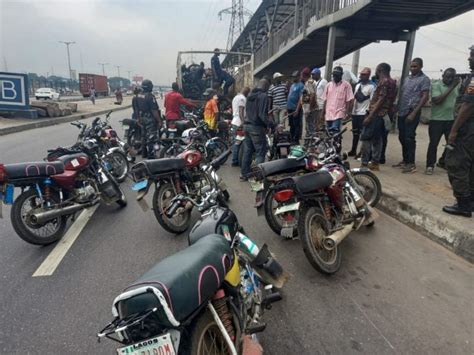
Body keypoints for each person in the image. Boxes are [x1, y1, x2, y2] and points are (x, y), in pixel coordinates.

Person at [443, 45, 474, 217]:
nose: (469, 59)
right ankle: (470, 201)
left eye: (472, 56)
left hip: (467, 130)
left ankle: (463, 204)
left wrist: (454, 131)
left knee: (456, 163)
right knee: (470, 165)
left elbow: (468, 105)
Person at [393, 57, 430, 173]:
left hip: (412, 111)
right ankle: (405, 160)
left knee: (409, 137)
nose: (413, 68)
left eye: (415, 66)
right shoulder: (407, 79)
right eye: (411, 66)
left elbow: (425, 96)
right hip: (402, 111)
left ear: (420, 67)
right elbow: (402, 93)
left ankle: (411, 163)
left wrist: (414, 113)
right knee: (402, 136)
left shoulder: (424, 79)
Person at [360, 63, 397, 171]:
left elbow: (381, 99)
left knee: (366, 138)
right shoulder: (393, 83)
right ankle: (375, 162)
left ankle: (365, 163)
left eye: (376, 70)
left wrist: (370, 116)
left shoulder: (384, 82)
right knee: (378, 139)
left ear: (380, 70)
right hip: (384, 114)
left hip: (376, 114)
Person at [425, 68, 460, 175]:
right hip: (437, 120)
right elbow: (437, 100)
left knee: (451, 143)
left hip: (451, 119)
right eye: (447, 76)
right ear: (443, 75)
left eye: (452, 77)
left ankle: (443, 161)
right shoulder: (436, 85)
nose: (450, 79)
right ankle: (430, 165)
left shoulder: (457, 86)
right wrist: (452, 87)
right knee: (433, 143)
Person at [240, 79, 272, 180]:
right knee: (260, 152)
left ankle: (244, 174)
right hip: (256, 127)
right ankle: (258, 176)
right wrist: (271, 124)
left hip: (247, 126)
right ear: (266, 86)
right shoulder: (263, 96)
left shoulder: (250, 95)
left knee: (248, 151)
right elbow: (262, 115)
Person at [132, 79, 162, 158]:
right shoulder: (150, 96)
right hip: (149, 119)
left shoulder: (137, 96)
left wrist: (138, 118)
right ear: (149, 87)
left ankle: (144, 153)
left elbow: (136, 109)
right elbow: (154, 110)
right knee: (151, 137)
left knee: (143, 136)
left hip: (141, 119)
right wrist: (159, 121)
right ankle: (151, 155)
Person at [349, 67, 375, 156]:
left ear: (368, 75)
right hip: (355, 112)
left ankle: (362, 152)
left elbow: (372, 101)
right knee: (355, 133)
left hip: (364, 113)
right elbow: (354, 98)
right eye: (361, 74)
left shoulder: (372, 86)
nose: (361, 76)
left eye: (363, 75)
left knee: (363, 134)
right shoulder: (357, 85)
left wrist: (369, 114)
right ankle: (353, 150)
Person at [321, 66, 354, 133]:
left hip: (339, 113)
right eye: (334, 75)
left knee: (335, 133)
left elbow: (349, 100)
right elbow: (325, 99)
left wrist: (347, 113)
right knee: (328, 134)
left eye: (337, 75)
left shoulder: (346, 85)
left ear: (341, 75)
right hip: (328, 114)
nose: (335, 77)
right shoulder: (328, 85)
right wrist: (322, 113)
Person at [231, 86, 251, 166]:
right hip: (239, 122)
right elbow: (241, 110)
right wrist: (243, 122)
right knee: (239, 142)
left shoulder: (235, 97)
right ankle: (235, 160)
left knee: (236, 142)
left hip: (234, 121)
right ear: (247, 92)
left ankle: (235, 159)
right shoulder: (242, 99)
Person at [287, 70, 305, 143]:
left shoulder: (301, 85)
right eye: (293, 77)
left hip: (295, 109)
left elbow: (301, 99)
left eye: (295, 77)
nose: (293, 78)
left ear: (298, 77)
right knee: (291, 125)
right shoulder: (292, 85)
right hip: (290, 108)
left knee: (296, 125)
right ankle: (291, 138)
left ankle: (296, 140)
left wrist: (297, 110)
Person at [300, 67, 317, 137]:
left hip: (309, 109)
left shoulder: (309, 83)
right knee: (309, 126)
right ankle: (309, 141)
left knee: (310, 127)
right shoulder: (310, 82)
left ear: (304, 75)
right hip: (308, 108)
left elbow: (312, 95)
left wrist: (309, 108)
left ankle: (311, 142)